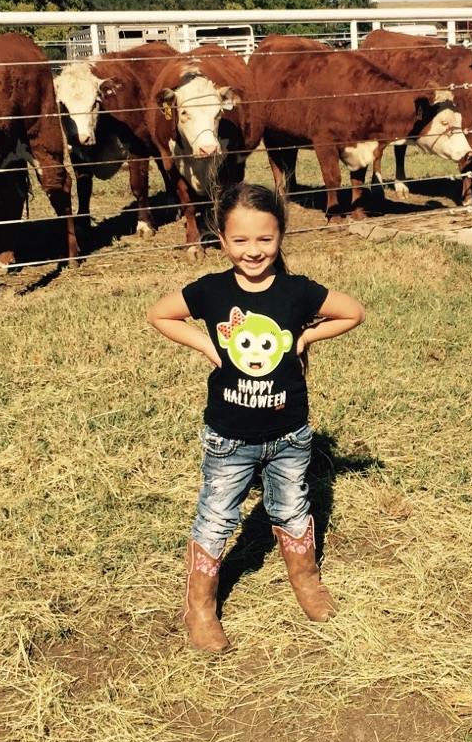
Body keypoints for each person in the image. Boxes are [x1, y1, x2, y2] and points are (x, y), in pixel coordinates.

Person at [147, 182, 364, 651]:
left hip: (290, 435)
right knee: (217, 516)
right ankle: (199, 606)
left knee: (291, 506)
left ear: (281, 235)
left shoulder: (297, 292)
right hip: (230, 438)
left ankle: (306, 580)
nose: (253, 251)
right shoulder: (211, 291)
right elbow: (160, 314)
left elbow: (352, 312)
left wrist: (306, 339)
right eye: (240, 241)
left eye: (265, 239)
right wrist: (205, 343)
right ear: (222, 240)